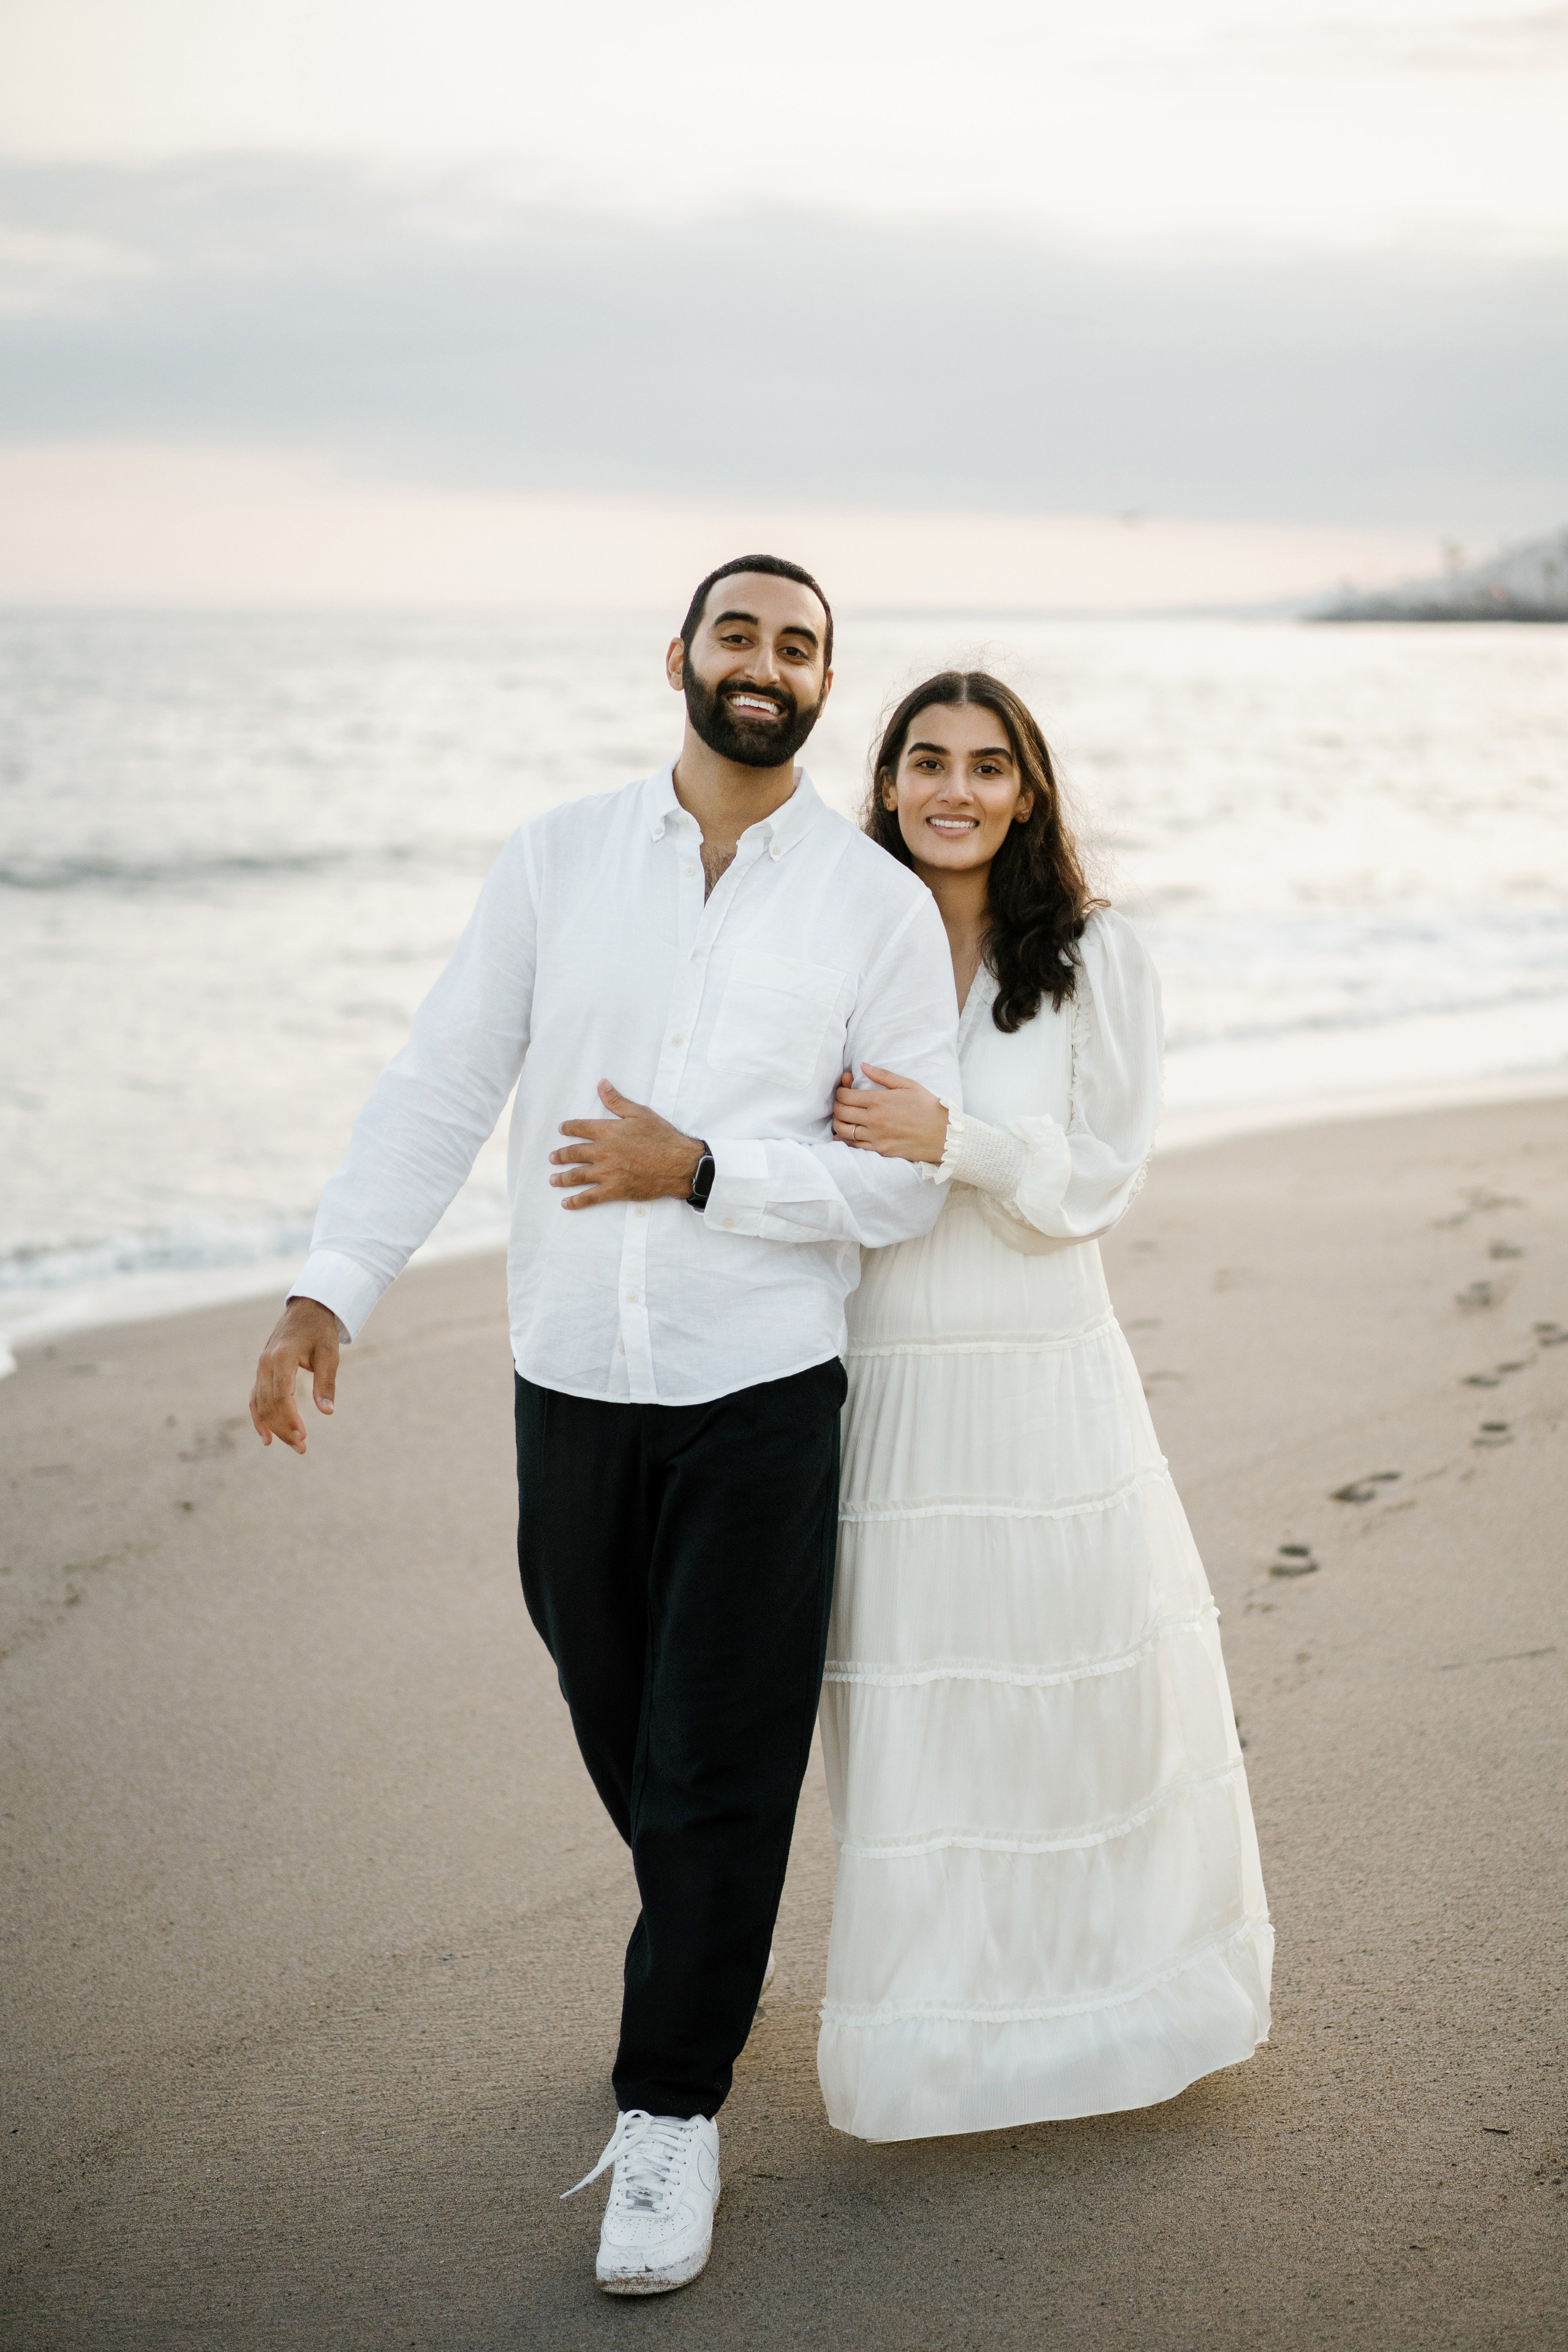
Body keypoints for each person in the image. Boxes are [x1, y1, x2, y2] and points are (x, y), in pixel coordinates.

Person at [247, 559, 962, 2293]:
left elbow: (897, 1185)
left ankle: (670, 2112)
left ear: (825, 684)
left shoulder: (872, 909)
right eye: (740, 634)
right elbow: (442, 1078)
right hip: (568, 1374)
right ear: (681, 658)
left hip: (761, 1387)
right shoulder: (555, 858)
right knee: (623, 1725)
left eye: (800, 647)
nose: (766, 664)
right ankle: (710, 1945)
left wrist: (701, 1171)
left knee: (719, 1759)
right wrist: (331, 1286)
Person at [818, 671, 1271, 2142]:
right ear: (886, 783)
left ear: (1025, 794)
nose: (952, 790)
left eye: (985, 765)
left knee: (1071, 1689)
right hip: (882, 1372)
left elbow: (1097, 1177)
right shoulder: (834, 944)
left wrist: (952, 1139)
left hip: (1038, 1364)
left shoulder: (1089, 954)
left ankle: (1107, 2009)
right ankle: (936, 2040)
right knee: (920, 1705)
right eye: (924, 761)